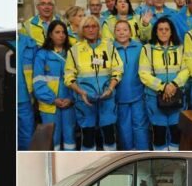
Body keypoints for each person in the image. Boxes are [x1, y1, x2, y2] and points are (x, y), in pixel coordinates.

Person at [64, 15, 123, 151]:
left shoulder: (109, 47)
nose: (91, 29)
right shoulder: (75, 50)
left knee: (109, 135)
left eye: (94, 26)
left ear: (98, 29)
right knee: (88, 137)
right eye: (87, 27)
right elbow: (68, 76)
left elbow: (118, 70)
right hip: (85, 100)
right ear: (82, 30)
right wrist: (80, 92)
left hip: (107, 98)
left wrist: (110, 88)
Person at [139, 17, 190, 151]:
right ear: (155, 32)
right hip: (154, 98)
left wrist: (173, 85)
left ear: (171, 31)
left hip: (176, 96)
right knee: (159, 134)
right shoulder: (147, 49)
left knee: (176, 133)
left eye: (166, 29)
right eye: (160, 29)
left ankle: (174, 159)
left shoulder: (180, 48)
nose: (163, 32)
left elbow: (186, 69)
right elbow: (143, 74)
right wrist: (163, 86)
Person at [33, 21, 76, 150]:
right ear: (50, 35)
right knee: (52, 139)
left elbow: (78, 80)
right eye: (57, 32)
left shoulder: (72, 53)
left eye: (63, 32)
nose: (61, 35)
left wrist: (71, 98)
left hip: (69, 104)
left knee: (70, 137)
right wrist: (53, 99)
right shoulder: (42, 55)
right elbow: (38, 82)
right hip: (49, 105)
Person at [112, 20, 149, 150]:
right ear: (114, 33)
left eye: (125, 29)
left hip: (138, 95)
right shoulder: (109, 49)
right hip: (119, 96)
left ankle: (143, 152)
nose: (121, 33)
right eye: (118, 30)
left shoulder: (140, 48)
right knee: (124, 127)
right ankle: (129, 152)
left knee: (140, 125)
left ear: (130, 32)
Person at [19, 0, 61, 105]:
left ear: (53, 7)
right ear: (37, 7)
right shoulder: (27, 25)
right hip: (38, 67)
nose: (46, 7)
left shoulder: (62, 22)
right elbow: (24, 50)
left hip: (58, 65)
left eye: (49, 4)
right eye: (43, 4)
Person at [17, 36, 35, 150]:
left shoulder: (30, 44)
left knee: (27, 134)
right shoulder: (28, 44)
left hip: (26, 97)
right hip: (19, 96)